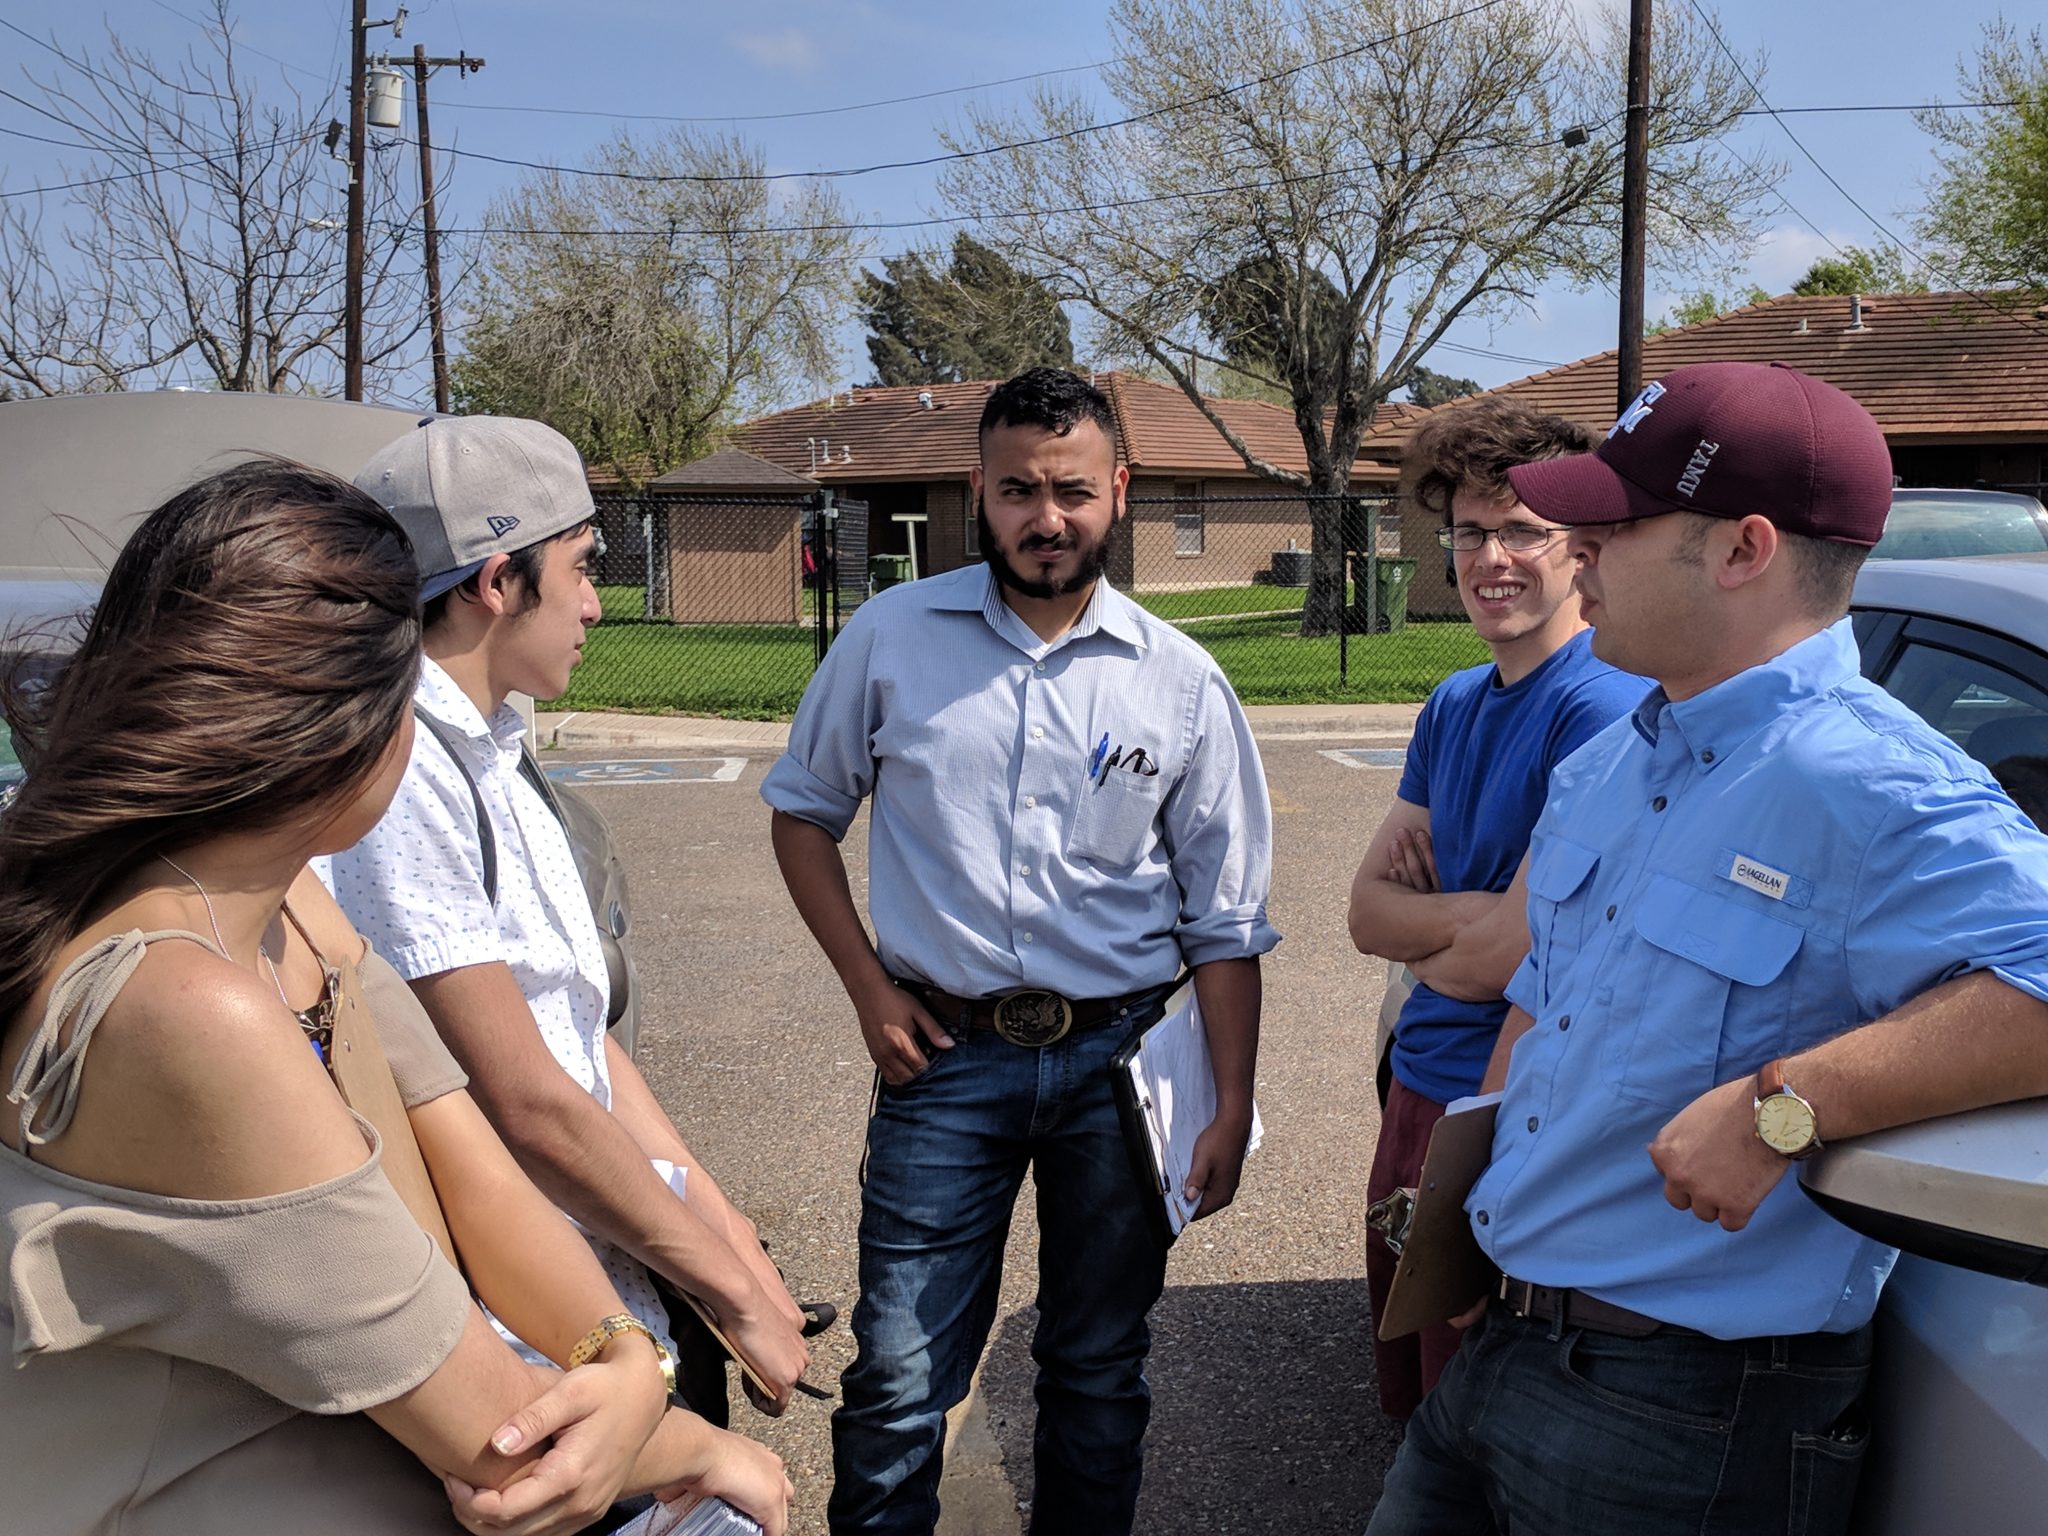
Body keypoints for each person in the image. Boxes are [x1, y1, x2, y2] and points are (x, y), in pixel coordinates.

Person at [0, 459, 790, 1536]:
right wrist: (705, 1445)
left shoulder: (286, 911)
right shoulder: (188, 998)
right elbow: (494, 1436)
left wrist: (624, 1355)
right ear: (351, 721)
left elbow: (470, 1178)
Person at [1365, 361, 2048, 1535]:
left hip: (1685, 1406)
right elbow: (1538, 1013)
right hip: (1503, 1339)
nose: (1576, 551)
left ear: (1742, 550)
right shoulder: (1615, 760)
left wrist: (1783, 1106)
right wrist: (1463, 1237)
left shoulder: (1871, 783)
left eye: (1614, 525)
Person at [763, 367, 1279, 1535]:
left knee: (1096, 1371)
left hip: (1120, 1065)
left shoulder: (1178, 680)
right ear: (976, 491)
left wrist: (1231, 1102)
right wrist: (864, 988)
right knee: (897, 1378)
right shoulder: (892, 637)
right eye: (1016, 492)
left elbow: (1227, 919)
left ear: (1119, 492)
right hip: (943, 1057)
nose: (1045, 520)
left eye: (1072, 492)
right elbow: (803, 814)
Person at [321, 416, 813, 1425]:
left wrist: (730, 1247)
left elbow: (573, 1035)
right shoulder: (407, 771)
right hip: (530, 1340)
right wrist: (729, 1293)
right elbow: (520, 1100)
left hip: (606, 1283)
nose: (594, 603)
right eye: (581, 568)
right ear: (496, 583)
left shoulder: (491, 747)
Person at [1347, 397, 1644, 1419]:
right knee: (1417, 1412)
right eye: (1471, 531)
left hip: (1502, 1103)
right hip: (1417, 1089)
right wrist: (1461, 935)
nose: (1490, 558)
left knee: (1470, 1424)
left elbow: (1493, 960)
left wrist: (1445, 938)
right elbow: (1363, 914)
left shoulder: (1599, 705)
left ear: (1584, 546)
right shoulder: (1452, 703)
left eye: (1523, 529)